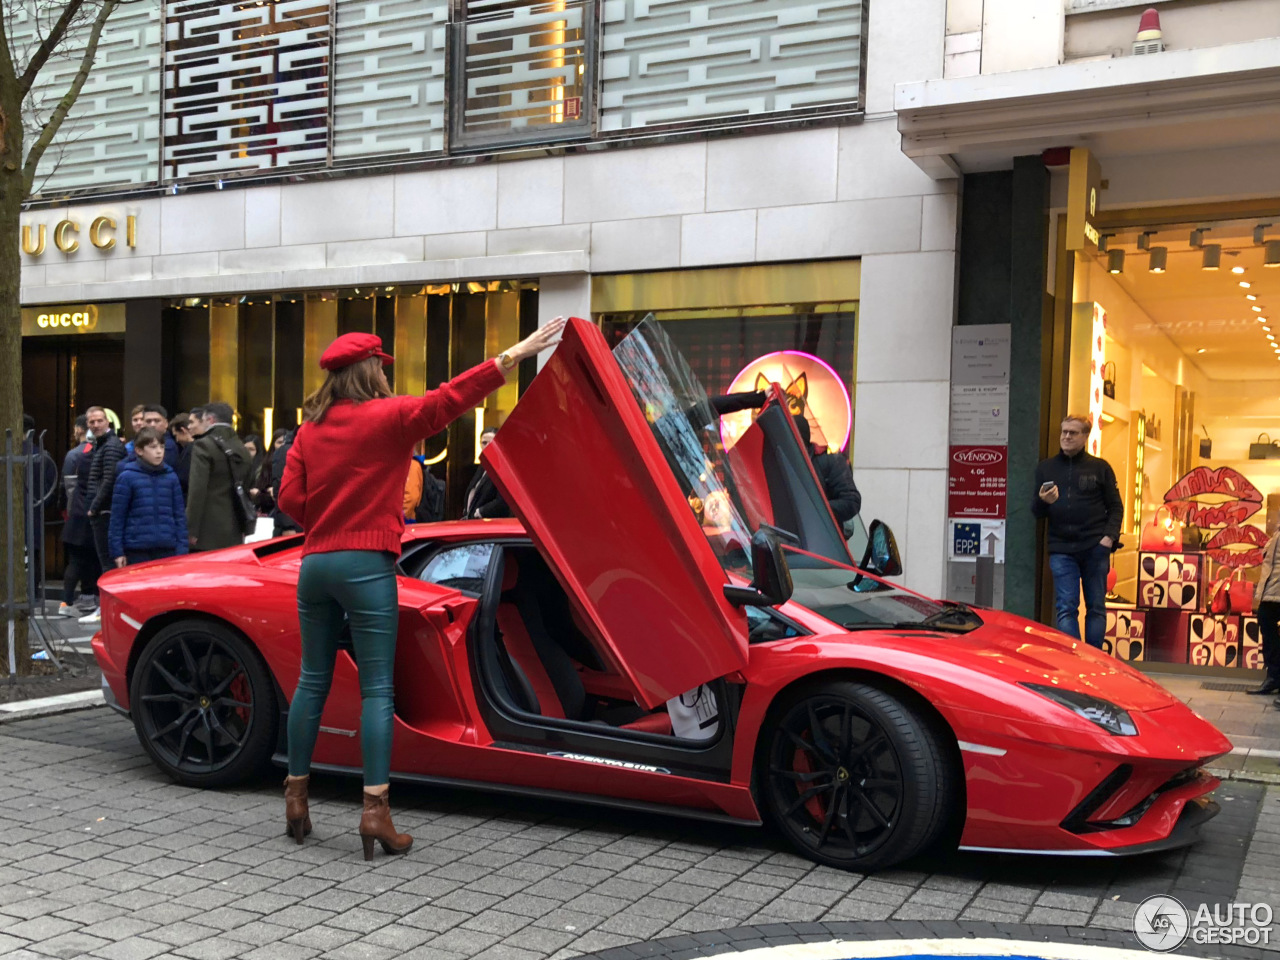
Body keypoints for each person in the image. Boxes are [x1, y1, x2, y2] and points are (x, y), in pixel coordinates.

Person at [277, 320, 564, 859]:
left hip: (315, 562)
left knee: (311, 681)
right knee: (377, 690)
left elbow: (289, 498)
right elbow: (452, 397)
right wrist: (515, 354)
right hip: (367, 564)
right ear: (371, 372)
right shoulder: (391, 418)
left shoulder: (308, 429)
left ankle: (296, 801)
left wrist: (331, 519)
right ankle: (374, 813)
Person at [1032, 414, 1123, 649]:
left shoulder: (1100, 468)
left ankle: (1094, 659)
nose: (1066, 437)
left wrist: (1108, 538)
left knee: (1096, 607)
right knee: (1066, 607)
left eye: (1073, 433)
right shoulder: (1046, 468)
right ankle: (1074, 662)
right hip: (1061, 548)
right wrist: (1043, 501)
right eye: (1064, 432)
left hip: (1095, 547)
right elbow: (1036, 511)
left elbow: (1116, 506)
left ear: (1085, 437)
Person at [108, 427, 188, 567]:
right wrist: (117, 551)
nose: (159, 451)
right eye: (153, 447)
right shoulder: (127, 477)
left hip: (167, 546)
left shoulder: (171, 476)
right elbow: (117, 517)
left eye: (161, 447)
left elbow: (179, 515)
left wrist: (182, 548)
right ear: (139, 450)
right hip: (137, 547)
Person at [186, 403, 253, 552]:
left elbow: (197, 491)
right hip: (235, 526)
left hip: (207, 528)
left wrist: (191, 528)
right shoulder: (242, 448)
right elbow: (246, 485)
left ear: (210, 420)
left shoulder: (203, 445)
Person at [81, 407, 127, 625]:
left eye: (99, 421)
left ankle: (107, 609)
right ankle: (106, 608)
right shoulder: (103, 445)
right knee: (106, 562)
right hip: (102, 509)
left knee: (108, 562)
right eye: (91, 422)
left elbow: (109, 479)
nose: (95, 425)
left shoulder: (110, 446)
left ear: (107, 422)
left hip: (105, 511)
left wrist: (95, 507)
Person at [57, 416, 95, 617]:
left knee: (76, 560)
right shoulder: (99, 453)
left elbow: (66, 487)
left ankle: (67, 600)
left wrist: (64, 510)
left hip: (76, 516)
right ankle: (88, 598)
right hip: (93, 516)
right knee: (94, 560)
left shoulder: (73, 456)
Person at [793, 414, 861, 525]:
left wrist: (816, 509)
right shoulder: (782, 463)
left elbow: (852, 501)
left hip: (822, 535)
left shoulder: (830, 461)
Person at [1250, 529, 1280, 697]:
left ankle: (1274, 676)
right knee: (1266, 623)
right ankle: (1274, 675)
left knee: (1266, 620)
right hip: (1273, 590)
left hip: (1275, 591)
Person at [462, 427, 509, 519]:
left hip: (490, 523)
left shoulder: (503, 468)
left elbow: (503, 502)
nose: (487, 446)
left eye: (491, 443)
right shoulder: (482, 467)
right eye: (484, 443)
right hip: (472, 520)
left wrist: (480, 512)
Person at [170, 412, 195, 496]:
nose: (177, 440)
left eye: (176, 435)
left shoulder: (189, 450)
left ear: (183, 430)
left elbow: (183, 479)